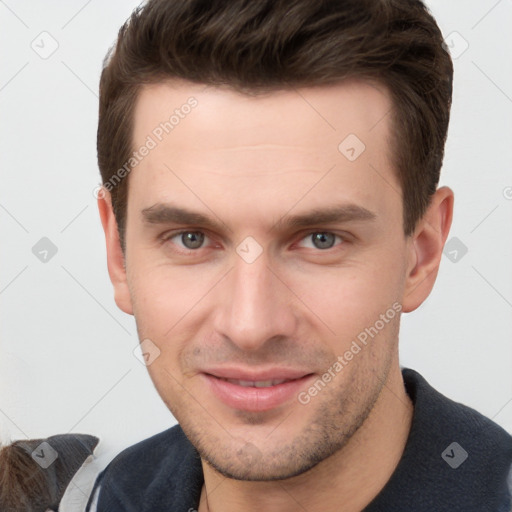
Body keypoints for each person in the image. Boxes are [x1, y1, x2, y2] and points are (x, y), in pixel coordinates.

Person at [86, 0, 512, 510]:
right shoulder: (113, 493)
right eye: (191, 239)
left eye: (320, 240)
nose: (251, 325)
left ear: (420, 254)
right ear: (119, 253)